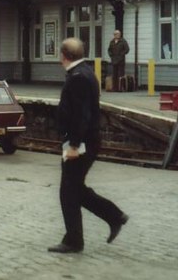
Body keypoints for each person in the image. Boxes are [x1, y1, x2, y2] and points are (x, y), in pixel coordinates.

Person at [48, 37, 128, 254]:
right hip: (84, 142)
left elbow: (82, 115)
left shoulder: (78, 77)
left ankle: (74, 241)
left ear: (63, 55)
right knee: (75, 189)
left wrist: (74, 145)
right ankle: (114, 216)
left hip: (81, 144)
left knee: (68, 191)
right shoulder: (85, 72)